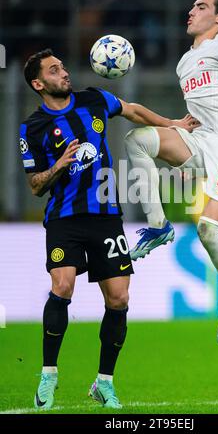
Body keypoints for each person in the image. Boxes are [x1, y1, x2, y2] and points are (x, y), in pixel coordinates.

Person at [19, 48, 198, 410]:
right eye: (54, 70)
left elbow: (132, 110)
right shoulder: (32, 128)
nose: (64, 73)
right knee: (62, 286)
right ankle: (49, 374)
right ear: (38, 83)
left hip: (106, 216)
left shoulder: (93, 99)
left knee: (118, 299)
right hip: (64, 219)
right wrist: (59, 165)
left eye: (63, 66)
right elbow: (35, 185)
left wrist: (172, 125)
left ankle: (104, 383)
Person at [125, 0, 218, 345]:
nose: (191, 11)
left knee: (208, 230)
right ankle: (159, 227)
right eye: (192, 5)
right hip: (202, 141)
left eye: (201, 6)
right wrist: (176, 124)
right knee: (137, 140)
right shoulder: (184, 62)